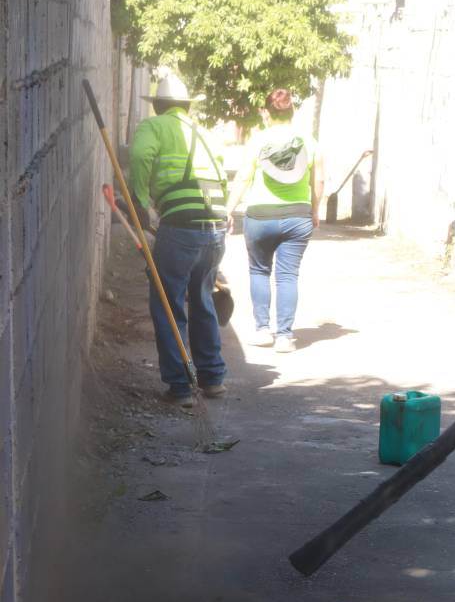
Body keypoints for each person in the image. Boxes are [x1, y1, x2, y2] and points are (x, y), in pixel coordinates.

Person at [128, 73, 229, 407]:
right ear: (187, 106)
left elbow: (141, 156)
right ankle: (213, 379)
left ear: (157, 105)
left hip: (181, 225)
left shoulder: (154, 127)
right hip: (214, 227)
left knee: (168, 302)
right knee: (202, 298)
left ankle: (181, 387)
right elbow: (222, 174)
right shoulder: (206, 133)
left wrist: (140, 200)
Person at [226, 89, 325, 353]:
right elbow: (319, 180)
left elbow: (244, 176)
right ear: (292, 111)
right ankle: (284, 336)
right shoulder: (310, 141)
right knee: (288, 276)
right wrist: (315, 210)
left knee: (259, 271)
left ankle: (262, 331)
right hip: (298, 216)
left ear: (267, 113)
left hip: (260, 216)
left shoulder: (258, 140)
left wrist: (228, 209)